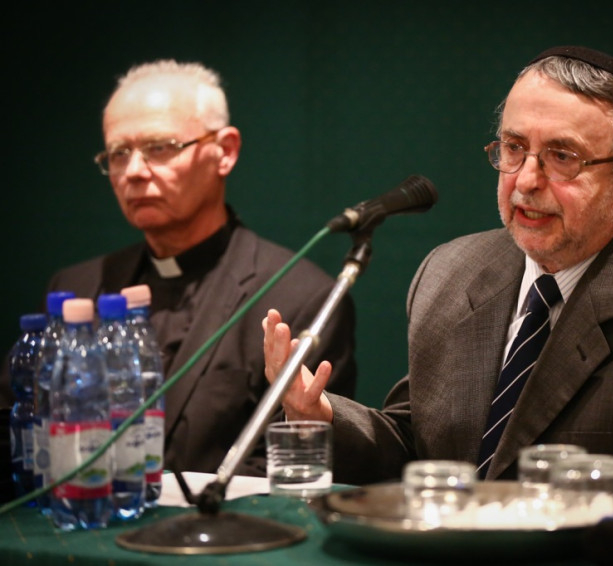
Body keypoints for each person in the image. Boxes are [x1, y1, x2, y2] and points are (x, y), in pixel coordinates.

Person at [263, 46, 613, 514]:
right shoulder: (449, 272)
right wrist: (321, 415)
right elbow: (418, 450)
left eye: (562, 157)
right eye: (513, 148)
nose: (526, 180)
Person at [0, 60, 357, 484]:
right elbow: (20, 431)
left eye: (160, 147)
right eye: (118, 153)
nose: (134, 172)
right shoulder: (76, 288)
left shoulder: (300, 296)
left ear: (225, 151)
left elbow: (288, 466)